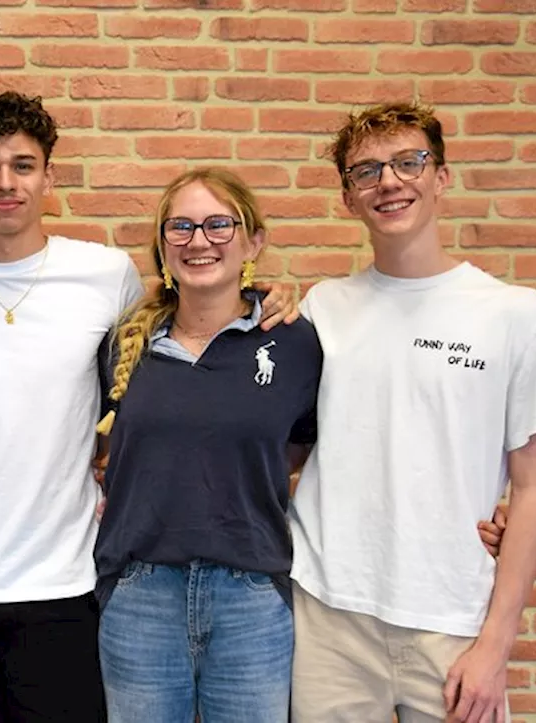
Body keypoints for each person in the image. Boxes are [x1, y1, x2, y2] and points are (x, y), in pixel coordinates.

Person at [0, 92, 298, 723]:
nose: (5, 182)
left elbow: (187, 320)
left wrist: (268, 294)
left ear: (49, 176)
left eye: (23, 164)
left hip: (67, 577)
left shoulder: (104, 275)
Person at [288, 102, 536, 723]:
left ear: (440, 176)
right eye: (366, 171)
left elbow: (535, 488)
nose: (389, 182)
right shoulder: (322, 308)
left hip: (454, 621)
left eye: (408, 162)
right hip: (329, 617)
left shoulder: (515, 315)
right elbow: (284, 448)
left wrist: (496, 645)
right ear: (347, 197)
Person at [93, 168, 321, 723]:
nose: (200, 241)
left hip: (251, 599)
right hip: (140, 595)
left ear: (253, 241)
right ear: (163, 248)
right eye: (182, 227)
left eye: (220, 224)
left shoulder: (294, 343)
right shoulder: (123, 342)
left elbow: (297, 451)